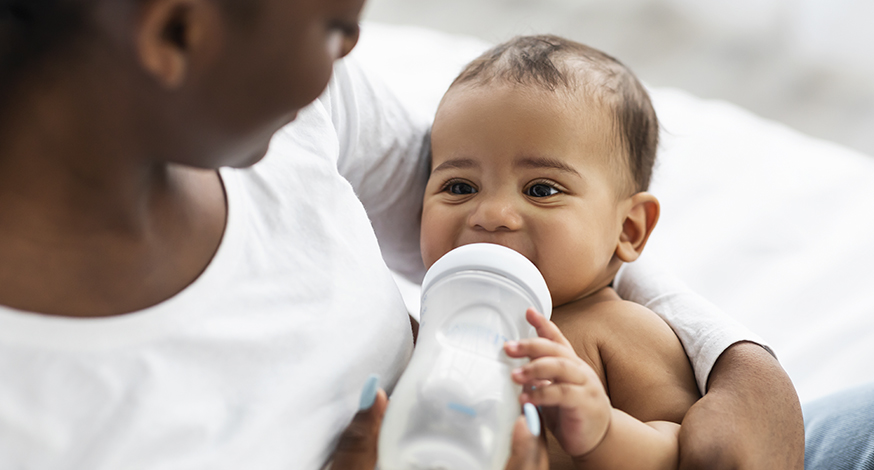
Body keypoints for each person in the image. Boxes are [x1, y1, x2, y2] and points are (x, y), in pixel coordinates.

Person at [0, 0, 802, 469]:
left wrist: (737, 364)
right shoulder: (41, 418)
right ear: (176, 32)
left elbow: (539, 223)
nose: (350, 53)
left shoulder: (298, 118)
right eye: (331, 29)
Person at [419, 34, 725, 468]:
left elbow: (682, 450)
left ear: (628, 229)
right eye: (460, 186)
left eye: (541, 189)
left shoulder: (621, 330)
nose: (491, 213)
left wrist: (604, 431)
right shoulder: (436, 323)